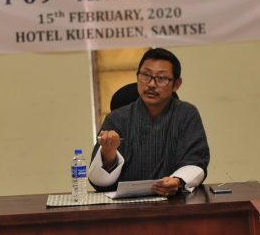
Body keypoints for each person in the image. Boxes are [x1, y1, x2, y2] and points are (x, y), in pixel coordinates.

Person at [89, 48, 209, 196]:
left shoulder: (186, 114)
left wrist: (178, 180)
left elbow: (196, 161)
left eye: (161, 78)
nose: (151, 84)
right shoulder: (117, 118)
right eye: (145, 76)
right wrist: (108, 153)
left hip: (173, 201)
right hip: (125, 205)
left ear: (176, 84)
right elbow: (99, 181)